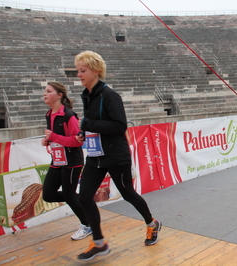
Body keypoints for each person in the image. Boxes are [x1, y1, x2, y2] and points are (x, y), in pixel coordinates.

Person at [74, 50, 162, 261]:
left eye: (82, 70)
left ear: (95, 71)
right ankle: (99, 243)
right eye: (78, 70)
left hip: (116, 155)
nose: (78, 75)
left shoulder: (109, 95)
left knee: (127, 193)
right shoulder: (87, 95)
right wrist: (82, 132)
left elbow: (119, 125)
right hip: (96, 155)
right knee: (85, 196)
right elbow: (93, 122)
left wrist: (87, 124)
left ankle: (152, 224)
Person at [41, 81, 91, 241]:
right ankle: (82, 200)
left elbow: (78, 141)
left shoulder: (69, 115)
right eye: (45, 91)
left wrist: (53, 137)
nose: (45, 94)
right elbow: (56, 137)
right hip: (57, 160)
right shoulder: (49, 115)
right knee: (48, 194)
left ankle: (87, 225)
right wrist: (47, 141)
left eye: (49, 91)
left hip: (72, 161)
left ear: (59, 95)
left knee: (69, 196)